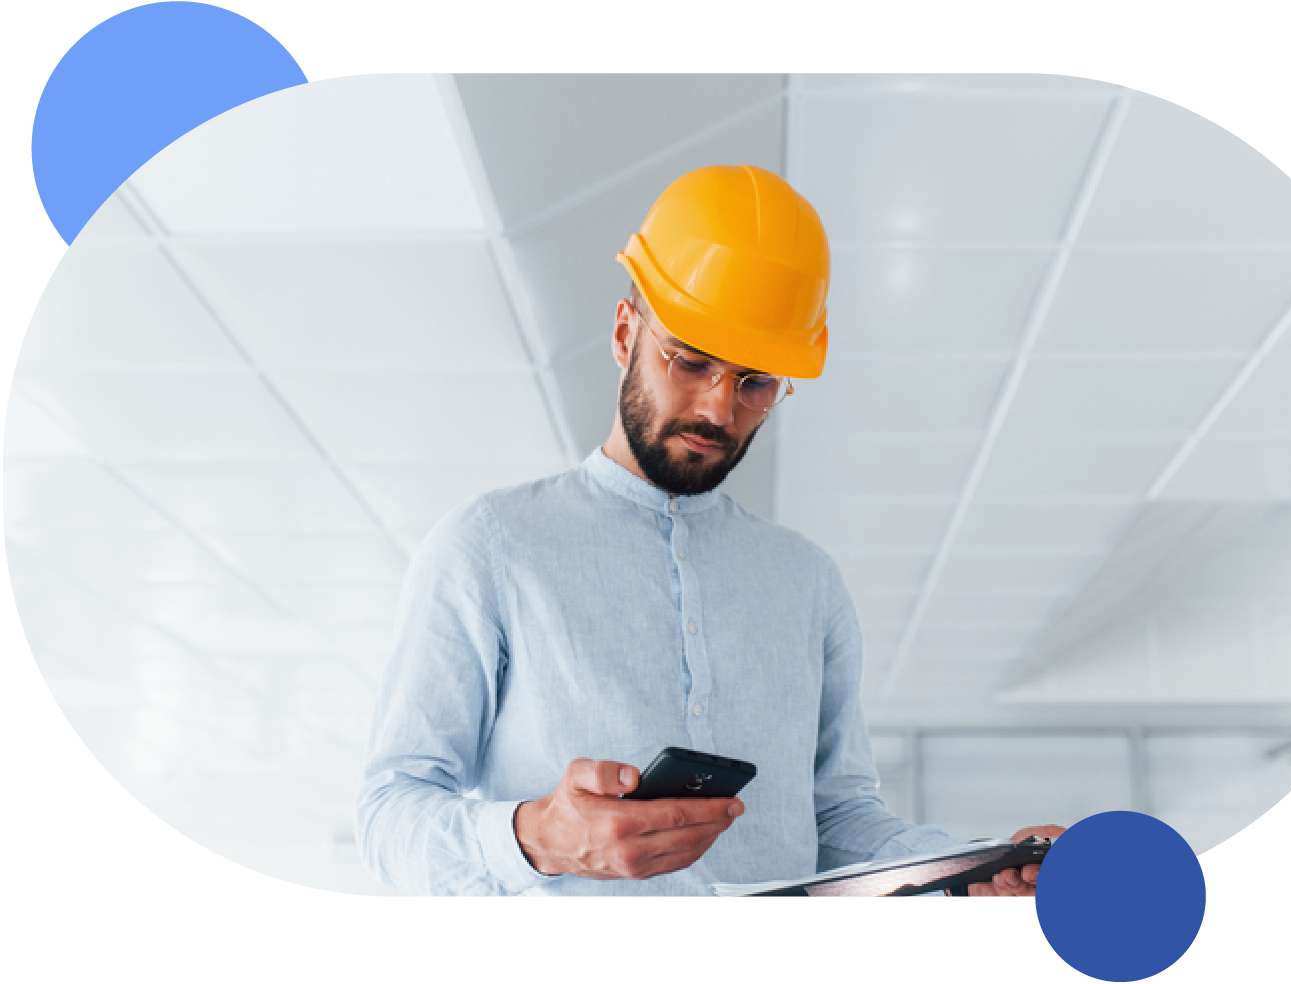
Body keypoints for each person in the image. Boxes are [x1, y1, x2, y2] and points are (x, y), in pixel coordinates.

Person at [354, 165, 1064, 896]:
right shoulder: (488, 548)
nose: (719, 411)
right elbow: (387, 817)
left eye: (755, 382)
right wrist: (538, 836)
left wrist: (970, 866)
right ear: (626, 333)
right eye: (690, 362)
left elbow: (837, 820)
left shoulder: (807, 582)